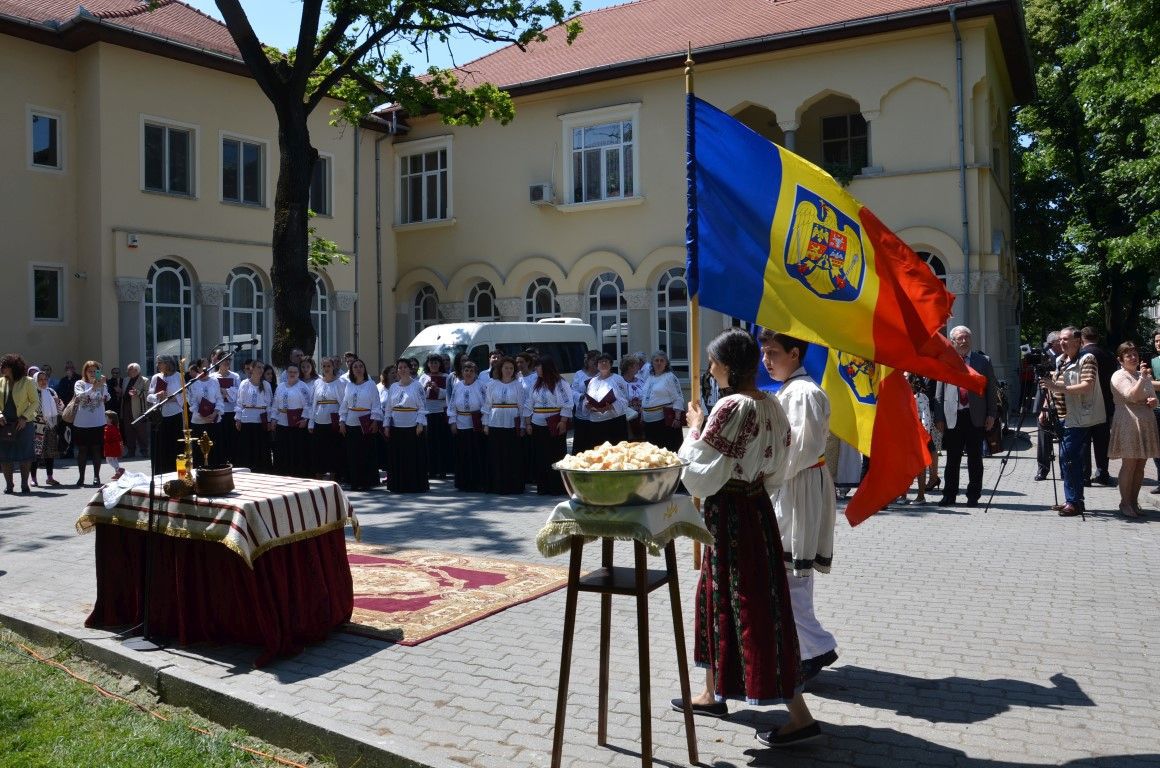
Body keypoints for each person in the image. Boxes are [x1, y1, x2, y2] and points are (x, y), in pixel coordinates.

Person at [672, 329, 817, 746]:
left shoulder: (729, 405)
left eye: (714, 360)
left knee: (751, 608)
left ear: (729, 366)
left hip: (732, 515)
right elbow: (777, 466)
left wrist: (694, 429)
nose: (711, 367)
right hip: (755, 510)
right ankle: (711, 692)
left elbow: (698, 472)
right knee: (725, 600)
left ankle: (800, 715)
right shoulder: (771, 403)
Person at [759, 330, 840, 683]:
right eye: (764, 353)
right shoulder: (790, 390)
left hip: (798, 486)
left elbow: (801, 449)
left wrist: (764, 476)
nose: (767, 361)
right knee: (789, 573)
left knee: (792, 573)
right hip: (794, 485)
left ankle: (816, 648)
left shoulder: (803, 392)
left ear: (795, 353)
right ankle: (805, 649)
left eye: (773, 353)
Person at [1041, 326, 1104, 517]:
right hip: (1060, 417)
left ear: (1078, 341)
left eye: (1066, 339)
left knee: (1067, 458)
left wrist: (1058, 387)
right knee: (1068, 459)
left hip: (1078, 417)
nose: (1062, 342)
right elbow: (1052, 387)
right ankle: (1073, 500)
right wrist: (1045, 407)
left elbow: (1087, 386)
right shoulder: (1061, 360)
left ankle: (1074, 502)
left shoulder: (1087, 359)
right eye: (1060, 339)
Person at [932, 326, 997, 508]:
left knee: (975, 459)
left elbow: (991, 389)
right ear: (952, 341)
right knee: (952, 459)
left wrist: (991, 414)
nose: (964, 341)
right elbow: (939, 391)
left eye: (967, 338)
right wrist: (939, 417)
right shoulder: (945, 360)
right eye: (960, 338)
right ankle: (949, 495)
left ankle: (973, 495)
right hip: (952, 416)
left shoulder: (983, 361)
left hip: (975, 416)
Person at [1107, 342, 1159, 517]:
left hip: (1146, 422)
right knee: (1129, 464)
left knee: (1140, 466)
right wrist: (1143, 379)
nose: (1133, 357)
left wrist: (1153, 401)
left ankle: (1134, 502)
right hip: (1128, 422)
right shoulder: (1118, 376)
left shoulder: (1140, 374)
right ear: (1120, 360)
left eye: (1135, 354)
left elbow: (1152, 396)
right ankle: (1125, 503)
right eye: (1128, 355)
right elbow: (1131, 395)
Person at [523, 355, 572, 495]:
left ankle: (557, 486)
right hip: (538, 423)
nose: (536, 369)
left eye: (538, 366)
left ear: (546, 367)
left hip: (555, 423)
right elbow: (528, 404)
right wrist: (528, 423)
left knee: (556, 454)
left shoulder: (560, 383)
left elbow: (567, 403)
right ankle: (543, 486)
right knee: (540, 455)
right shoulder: (535, 383)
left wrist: (563, 421)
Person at [383, 358, 429, 492]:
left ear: (410, 369)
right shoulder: (393, 387)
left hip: (413, 427)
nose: (402, 370)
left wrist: (420, 423)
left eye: (405, 367)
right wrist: (386, 425)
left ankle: (414, 485)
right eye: (400, 368)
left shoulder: (417, 386)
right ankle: (398, 484)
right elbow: (388, 408)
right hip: (397, 427)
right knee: (398, 457)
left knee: (412, 457)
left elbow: (422, 407)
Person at [1079, 327, 1117, 486]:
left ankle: (1084, 475)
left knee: (1084, 441)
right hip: (1106, 404)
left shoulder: (1082, 356)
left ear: (1082, 339)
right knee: (1102, 441)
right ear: (1098, 338)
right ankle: (1102, 473)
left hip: (1086, 404)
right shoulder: (1108, 355)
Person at [483, 357, 525, 494]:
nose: (508, 371)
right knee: (496, 455)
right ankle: (496, 485)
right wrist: (485, 423)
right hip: (495, 422)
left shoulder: (518, 385)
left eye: (511, 368)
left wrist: (523, 425)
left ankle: (512, 485)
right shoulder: (492, 384)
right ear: (500, 369)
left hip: (511, 423)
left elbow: (522, 407)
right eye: (506, 368)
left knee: (511, 455)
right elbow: (487, 405)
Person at [339, 358, 382, 491]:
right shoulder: (349, 385)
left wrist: (375, 420)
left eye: (360, 366)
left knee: (365, 453)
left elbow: (376, 404)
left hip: (366, 422)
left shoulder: (370, 384)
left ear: (364, 369)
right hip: (351, 422)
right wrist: (342, 421)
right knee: (352, 453)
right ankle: (354, 481)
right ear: (351, 370)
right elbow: (345, 404)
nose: (358, 369)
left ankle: (366, 481)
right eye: (355, 367)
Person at [1, 354, 40, 495]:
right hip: (4, 424)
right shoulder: (1, 382)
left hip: (23, 424)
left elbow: (35, 402)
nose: (2, 368)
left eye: (5, 366)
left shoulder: (28, 381)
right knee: (5, 457)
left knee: (25, 456)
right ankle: (9, 485)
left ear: (13, 367)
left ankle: (25, 484)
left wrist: (24, 418)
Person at [448, 360, 487, 491]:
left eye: (471, 371)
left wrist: (484, 421)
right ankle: (463, 482)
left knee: (476, 453)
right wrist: (452, 421)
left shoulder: (481, 386)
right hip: (460, 423)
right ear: (462, 372)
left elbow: (486, 404)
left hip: (476, 423)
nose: (468, 373)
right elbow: (452, 404)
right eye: (466, 370)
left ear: (475, 373)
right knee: (462, 454)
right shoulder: (458, 386)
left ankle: (477, 482)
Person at [72, 360, 111, 487]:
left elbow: (106, 397)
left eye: (95, 371)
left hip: (98, 422)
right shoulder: (80, 383)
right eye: (90, 371)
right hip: (82, 423)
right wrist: (93, 387)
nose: (93, 373)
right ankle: (81, 477)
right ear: (85, 372)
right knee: (82, 450)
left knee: (96, 450)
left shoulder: (102, 384)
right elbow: (79, 396)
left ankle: (96, 476)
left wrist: (102, 386)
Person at [309, 356, 347, 482]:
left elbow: (343, 403)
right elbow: (313, 402)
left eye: (328, 366)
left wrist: (342, 421)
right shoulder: (317, 382)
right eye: (324, 366)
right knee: (318, 450)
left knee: (333, 450)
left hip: (333, 421)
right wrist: (311, 422)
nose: (326, 368)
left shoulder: (340, 383)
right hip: (319, 420)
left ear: (333, 367)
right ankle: (319, 477)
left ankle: (333, 477)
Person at [640, 351, 685, 453]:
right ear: (652, 363)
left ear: (666, 363)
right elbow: (645, 397)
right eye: (656, 360)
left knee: (666, 451)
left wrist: (677, 418)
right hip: (649, 422)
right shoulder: (649, 378)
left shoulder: (669, 377)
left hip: (664, 421)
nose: (659, 363)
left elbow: (678, 398)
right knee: (653, 453)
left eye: (662, 360)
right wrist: (642, 414)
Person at [1033, 331, 1064, 481]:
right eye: (1060, 340)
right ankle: (1043, 469)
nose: (1063, 343)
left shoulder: (1067, 357)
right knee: (1044, 438)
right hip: (1044, 400)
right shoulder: (1043, 356)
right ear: (1053, 343)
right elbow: (1039, 380)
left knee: (1063, 436)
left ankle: (1065, 471)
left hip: (1062, 402)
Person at [272, 363, 312, 477]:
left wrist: (305, 419)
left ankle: (297, 473)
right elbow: (275, 403)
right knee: (282, 449)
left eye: (295, 372)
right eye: (290, 372)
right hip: (282, 422)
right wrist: (273, 418)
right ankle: (282, 473)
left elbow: (308, 404)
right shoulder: (281, 386)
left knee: (296, 450)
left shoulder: (302, 386)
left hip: (297, 423)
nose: (292, 374)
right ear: (286, 373)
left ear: (298, 374)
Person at [147, 356, 184, 475]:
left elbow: (185, 396)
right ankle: (160, 472)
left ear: (168, 363)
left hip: (175, 415)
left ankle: (176, 472)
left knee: (175, 446)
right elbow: (149, 396)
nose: (157, 365)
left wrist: (172, 398)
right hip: (160, 415)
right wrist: (157, 395)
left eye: (160, 363)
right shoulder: (156, 377)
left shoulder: (178, 376)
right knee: (161, 446)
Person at [234, 360, 274, 473]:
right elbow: (239, 402)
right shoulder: (244, 383)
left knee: (261, 447)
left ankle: (262, 470)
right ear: (252, 369)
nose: (261, 370)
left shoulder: (266, 385)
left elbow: (269, 404)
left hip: (261, 420)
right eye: (258, 367)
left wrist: (270, 420)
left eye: (262, 368)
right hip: (247, 419)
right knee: (247, 447)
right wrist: (238, 418)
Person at [583, 353, 629, 447]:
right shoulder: (592, 381)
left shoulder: (617, 379)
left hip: (614, 421)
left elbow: (624, 399)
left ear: (611, 364)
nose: (603, 363)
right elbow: (587, 397)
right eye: (600, 362)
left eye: (606, 361)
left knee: (615, 450)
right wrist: (587, 405)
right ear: (597, 365)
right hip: (596, 422)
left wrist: (611, 406)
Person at [29, 368, 64, 487]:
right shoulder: (33, 392)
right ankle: (33, 478)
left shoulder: (51, 392)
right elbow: (32, 410)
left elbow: (60, 410)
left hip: (51, 427)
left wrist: (58, 402)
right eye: (40, 380)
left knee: (50, 453)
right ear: (35, 381)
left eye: (45, 379)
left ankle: (50, 477)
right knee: (36, 454)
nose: (43, 382)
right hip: (36, 428)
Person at [420, 355, 452, 479]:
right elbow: (419, 394)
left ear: (440, 364)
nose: (433, 365)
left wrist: (437, 388)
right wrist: (425, 387)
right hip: (428, 413)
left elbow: (448, 394)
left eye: (436, 362)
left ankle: (442, 469)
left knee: (441, 442)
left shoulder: (446, 377)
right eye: (431, 362)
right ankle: (430, 469)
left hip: (441, 412)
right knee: (429, 442)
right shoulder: (423, 377)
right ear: (428, 364)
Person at [186, 360, 222, 468]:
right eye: (204, 367)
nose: (207, 369)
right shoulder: (193, 382)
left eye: (208, 367)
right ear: (199, 369)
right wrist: (201, 413)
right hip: (199, 420)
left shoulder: (214, 381)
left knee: (214, 449)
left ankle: (215, 473)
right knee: (199, 451)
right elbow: (191, 402)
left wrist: (215, 412)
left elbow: (219, 398)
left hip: (214, 419)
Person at [570, 350, 600, 454]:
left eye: (598, 360)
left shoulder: (602, 375)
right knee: (581, 443)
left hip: (598, 413)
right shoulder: (579, 374)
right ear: (587, 361)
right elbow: (572, 390)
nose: (596, 362)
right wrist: (581, 396)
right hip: (582, 414)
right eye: (593, 360)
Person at [120, 363, 149, 458]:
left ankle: (144, 451)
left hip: (138, 409)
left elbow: (148, 395)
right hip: (126, 408)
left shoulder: (144, 380)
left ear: (137, 371)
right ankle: (131, 451)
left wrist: (138, 392)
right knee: (128, 431)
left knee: (141, 431)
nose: (128, 371)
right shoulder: (125, 380)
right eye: (128, 370)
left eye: (130, 370)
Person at [55, 361, 80, 458]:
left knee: (75, 431)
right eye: (67, 368)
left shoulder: (78, 379)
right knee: (64, 431)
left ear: (74, 369)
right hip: (66, 410)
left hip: (76, 409)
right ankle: (64, 451)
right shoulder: (63, 380)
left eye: (71, 368)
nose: (69, 370)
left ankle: (72, 451)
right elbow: (60, 393)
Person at [620, 355, 645, 440]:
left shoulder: (641, 381)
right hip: (627, 419)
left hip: (641, 417)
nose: (639, 367)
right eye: (636, 365)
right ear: (629, 367)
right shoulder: (619, 382)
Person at [103, 410, 125, 481]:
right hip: (113, 446)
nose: (104, 418)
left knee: (109, 460)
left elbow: (111, 437)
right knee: (114, 459)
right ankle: (118, 473)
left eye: (105, 417)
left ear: (110, 419)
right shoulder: (111, 427)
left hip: (111, 446)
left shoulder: (110, 428)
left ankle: (119, 469)